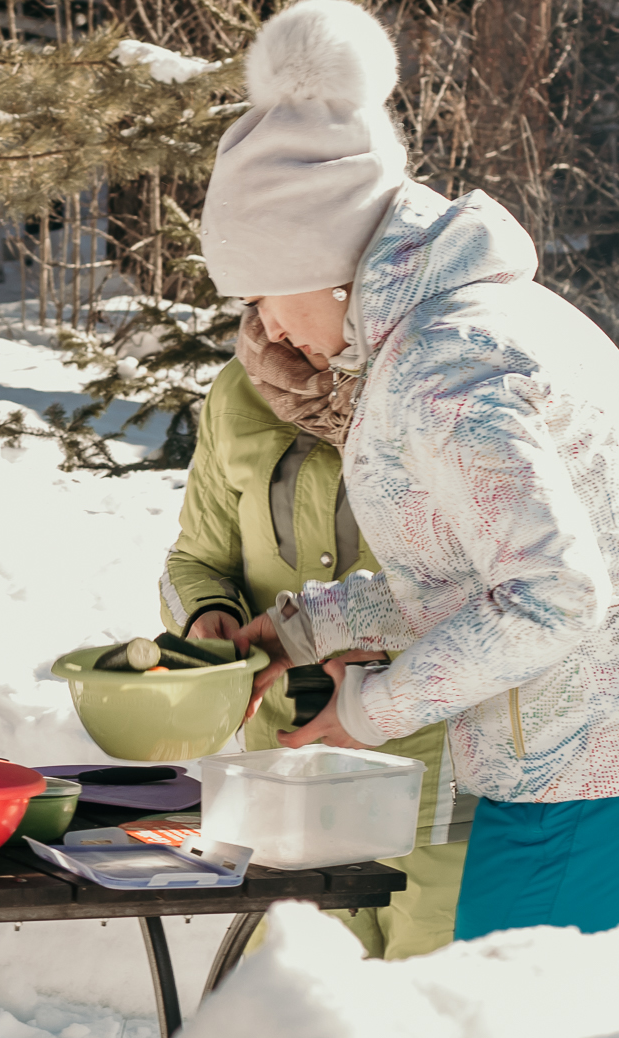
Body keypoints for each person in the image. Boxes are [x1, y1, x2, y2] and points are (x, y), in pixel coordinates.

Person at [199, 0, 619, 940]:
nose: (270, 328)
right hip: (583, 759)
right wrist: (303, 630)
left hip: (590, 770)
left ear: (325, 263)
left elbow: (552, 595)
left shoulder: (447, 366)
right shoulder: (464, 326)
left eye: (269, 294)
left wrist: (370, 709)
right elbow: (469, 573)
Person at [159, 322, 471, 959]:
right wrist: (205, 617)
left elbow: (486, 582)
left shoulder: (431, 386)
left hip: (432, 747)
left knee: (435, 975)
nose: (272, 321)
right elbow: (190, 561)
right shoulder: (239, 390)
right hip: (284, 757)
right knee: (298, 980)